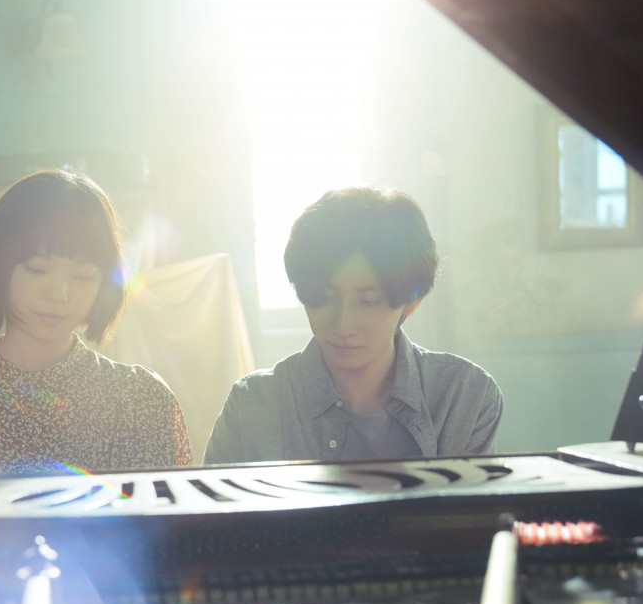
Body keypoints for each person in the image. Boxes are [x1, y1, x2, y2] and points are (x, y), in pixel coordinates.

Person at [0, 169, 193, 479]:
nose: (60, 294)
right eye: (37, 270)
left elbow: (172, 513)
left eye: (83, 276)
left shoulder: (142, 399)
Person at [204, 186, 502, 465]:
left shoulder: (464, 396)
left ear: (411, 301)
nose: (343, 325)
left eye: (368, 301)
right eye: (322, 298)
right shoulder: (252, 406)